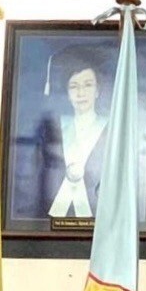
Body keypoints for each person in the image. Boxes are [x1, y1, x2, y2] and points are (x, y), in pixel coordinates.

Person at [31, 46, 111, 220]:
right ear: (67, 93)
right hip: (53, 217)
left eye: (88, 85)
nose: (81, 93)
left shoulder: (110, 130)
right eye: (74, 87)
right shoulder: (53, 129)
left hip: (97, 214)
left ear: (98, 90)